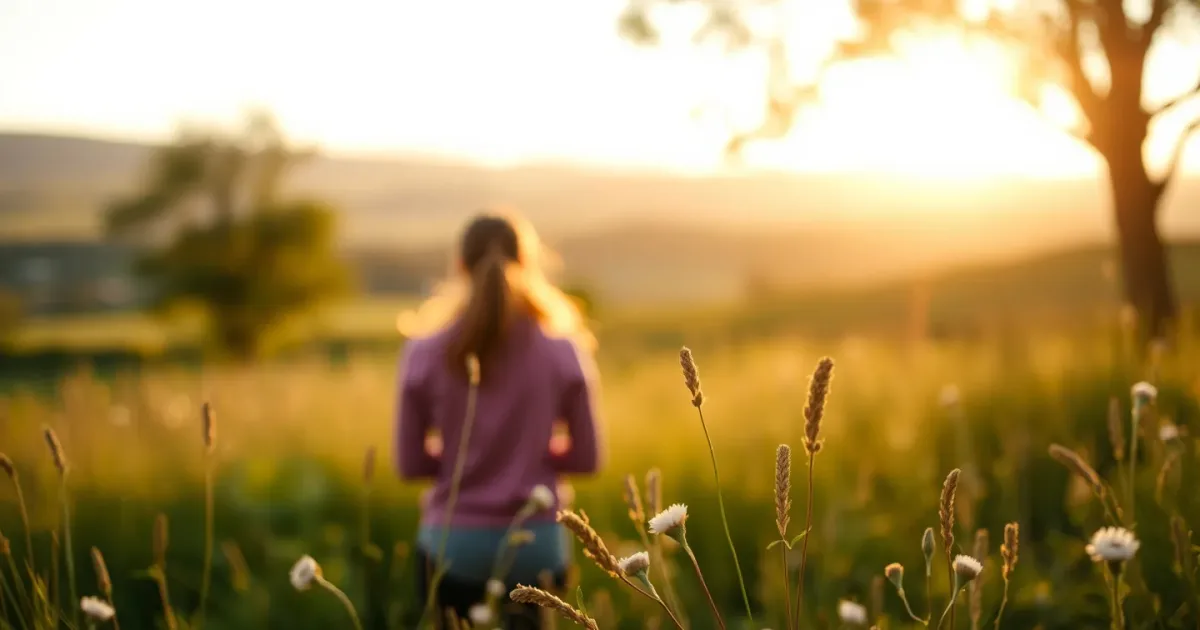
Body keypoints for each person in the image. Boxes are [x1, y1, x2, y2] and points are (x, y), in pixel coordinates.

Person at [393, 211, 603, 629]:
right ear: (528, 264)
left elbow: (410, 465)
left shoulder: (423, 353)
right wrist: (531, 455)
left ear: (459, 266)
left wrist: (464, 461)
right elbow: (587, 459)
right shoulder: (563, 350)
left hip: (452, 545)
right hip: (537, 546)